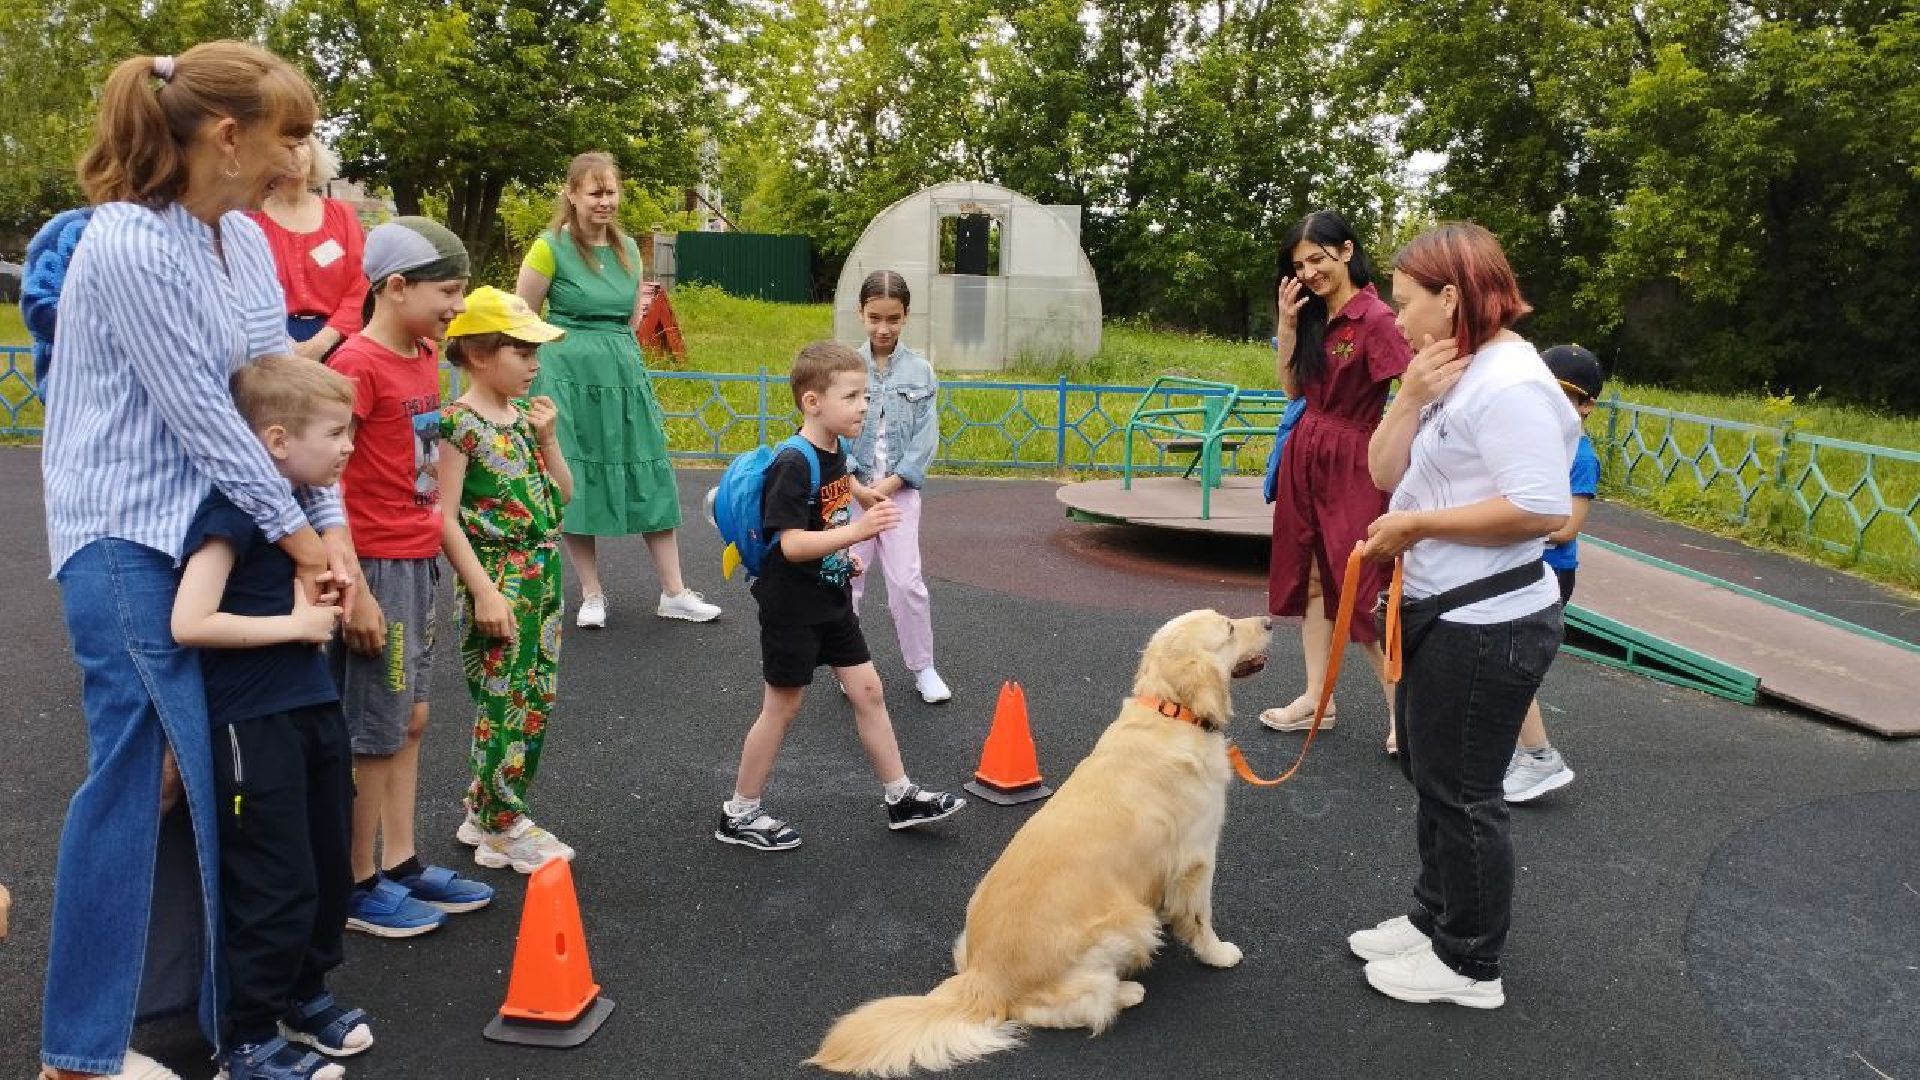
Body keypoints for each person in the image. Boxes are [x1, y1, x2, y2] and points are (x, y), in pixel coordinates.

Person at [36, 42, 358, 1080]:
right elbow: (209, 424)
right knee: (139, 775)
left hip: (205, 533)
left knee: (194, 777)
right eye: (291, 136)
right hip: (125, 535)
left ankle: (193, 1015)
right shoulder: (126, 243)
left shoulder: (243, 246)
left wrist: (331, 525)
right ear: (229, 135)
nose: (301, 160)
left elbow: (280, 407)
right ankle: (81, 1054)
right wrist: (306, 541)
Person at [1348, 222, 1579, 1009]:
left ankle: (1471, 965)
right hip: (1438, 605)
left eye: (1407, 302)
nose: (1397, 318)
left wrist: (1418, 528)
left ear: (1452, 298)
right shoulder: (1448, 366)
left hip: (1489, 620)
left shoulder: (1510, 381)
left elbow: (1542, 509)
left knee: (1464, 790)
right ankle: (1436, 918)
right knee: (1429, 771)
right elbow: (1385, 470)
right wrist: (1408, 396)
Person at [171, 356, 367, 1080]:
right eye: (336, 433)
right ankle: (247, 1036)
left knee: (326, 861)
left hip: (312, 705)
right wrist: (295, 625)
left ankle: (306, 994)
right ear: (278, 441)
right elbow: (190, 621)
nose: (349, 446)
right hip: (250, 722)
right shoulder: (231, 512)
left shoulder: (299, 516)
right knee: (273, 878)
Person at [715, 342, 966, 851]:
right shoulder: (793, 462)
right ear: (812, 403)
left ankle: (900, 796)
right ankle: (739, 813)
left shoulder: (836, 453)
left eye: (866, 395)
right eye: (852, 397)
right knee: (782, 707)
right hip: (791, 605)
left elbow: (838, 488)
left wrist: (861, 498)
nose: (864, 407)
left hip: (829, 595)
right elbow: (791, 543)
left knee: (869, 691)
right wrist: (859, 533)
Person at [328, 217, 493, 937]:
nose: (456, 306)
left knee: (412, 718)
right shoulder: (356, 367)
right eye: (447, 290)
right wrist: (353, 583)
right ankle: (355, 882)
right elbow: (322, 477)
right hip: (379, 566)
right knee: (377, 728)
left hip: (418, 558)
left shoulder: (423, 353)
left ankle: (400, 861)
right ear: (395, 287)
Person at [515, 151, 719, 628]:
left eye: (610, 191)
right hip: (564, 373)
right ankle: (591, 594)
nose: (604, 201)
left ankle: (673, 591)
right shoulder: (549, 247)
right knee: (577, 474)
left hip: (622, 372)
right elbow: (522, 317)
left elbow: (630, 321)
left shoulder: (628, 246)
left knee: (647, 468)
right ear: (572, 194)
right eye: (594, 192)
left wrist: (620, 359)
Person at [437, 287, 580, 872]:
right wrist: (484, 590)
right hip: (498, 572)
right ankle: (501, 822)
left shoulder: (523, 419)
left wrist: (548, 440)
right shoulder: (458, 424)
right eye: (520, 352)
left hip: (541, 571)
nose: (533, 364)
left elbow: (564, 495)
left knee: (536, 694)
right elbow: (442, 517)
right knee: (504, 700)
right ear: (478, 354)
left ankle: (485, 808)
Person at [1262, 210, 1411, 753]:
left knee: (1360, 586)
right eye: (1300, 265)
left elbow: (1414, 386)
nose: (1309, 273)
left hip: (1353, 458)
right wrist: (1286, 324)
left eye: (1318, 260)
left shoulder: (1376, 319)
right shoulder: (1311, 315)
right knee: (1316, 582)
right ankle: (1314, 699)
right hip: (1307, 451)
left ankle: (1404, 715)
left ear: (1347, 252)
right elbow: (1291, 391)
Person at [844, 270, 951, 703]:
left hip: (898, 495)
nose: (883, 328)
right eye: (874, 318)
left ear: (906, 316)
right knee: (846, 577)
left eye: (893, 318)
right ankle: (846, 664)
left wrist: (887, 486)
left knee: (907, 582)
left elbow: (926, 441)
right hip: (851, 495)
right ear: (861, 314)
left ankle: (923, 667)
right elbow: (828, 431)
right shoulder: (846, 367)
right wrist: (854, 484)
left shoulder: (920, 371)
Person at [1504, 344, 1603, 803]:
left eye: (1570, 397)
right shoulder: (1528, 441)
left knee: (1511, 667)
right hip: (1518, 564)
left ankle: (1539, 757)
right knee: (1497, 662)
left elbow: (1566, 529)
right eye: (1548, 391)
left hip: (1547, 573)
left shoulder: (1579, 456)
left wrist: (1511, 525)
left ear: (1587, 407)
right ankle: (1516, 752)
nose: (1556, 404)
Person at [247, 136, 365, 361]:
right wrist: (281, 342)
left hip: (339, 343)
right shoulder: (247, 220)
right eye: (285, 145)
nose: (296, 152)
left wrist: (322, 342)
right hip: (268, 346)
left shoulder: (342, 215)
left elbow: (359, 285)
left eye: (301, 143)